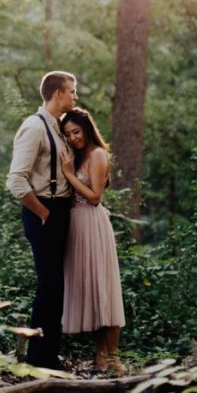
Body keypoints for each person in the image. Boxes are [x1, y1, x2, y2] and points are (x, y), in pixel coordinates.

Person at [6, 71, 78, 368]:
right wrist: (44, 212)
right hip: (43, 213)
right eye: (72, 92)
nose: (75, 97)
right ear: (58, 93)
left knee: (57, 286)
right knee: (49, 285)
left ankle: (49, 355)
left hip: (58, 212)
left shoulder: (58, 128)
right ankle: (39, 358)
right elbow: (16, 181)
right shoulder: (35, 128)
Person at [60, 107, 126, 374]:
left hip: (93, 223)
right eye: (68, 134)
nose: (73, 137)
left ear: (86, 129)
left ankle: (114, 359)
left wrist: (69, 175)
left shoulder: (97, 155)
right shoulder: (77, 156)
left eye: (76, 131)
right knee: (91, 291)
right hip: (77, 227)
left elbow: (95, 196)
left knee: (105, 289)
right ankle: (100, 357)